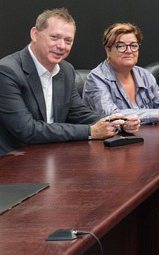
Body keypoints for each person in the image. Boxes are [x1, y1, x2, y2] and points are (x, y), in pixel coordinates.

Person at [0, 8, 139, 155]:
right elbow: (27, 130)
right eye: (54, 37)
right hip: (14, 162)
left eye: (68, 41)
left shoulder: (66, 70)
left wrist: (118, 122)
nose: (61, 46)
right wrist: (91, 131)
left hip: (52, 155)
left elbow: (79, 113)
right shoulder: (7, 72)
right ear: (34, 34)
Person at [83, 22, 159, 124]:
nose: (129, 51)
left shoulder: (144, 74)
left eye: (133, 45)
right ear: (108, 50)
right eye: (121, 46)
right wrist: (158, 114)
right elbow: (111, 116)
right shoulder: (96, 78)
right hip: (114, 141)